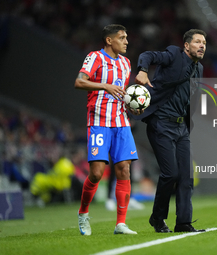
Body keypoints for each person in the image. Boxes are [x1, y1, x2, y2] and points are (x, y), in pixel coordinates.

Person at [134, 29, 207, 233]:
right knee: (170, 174)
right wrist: (142, 70)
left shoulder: (198, 68)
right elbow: (148, 55)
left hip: (181, 127)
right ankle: (158, 218)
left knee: (186, 176)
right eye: (198, 42)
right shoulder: (173, 54)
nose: (202, 46)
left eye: (204, 43)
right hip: (161, 123)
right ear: (186, 45)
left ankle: (183, 222)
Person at [74, 24, 141, 236]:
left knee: (124, 169)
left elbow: (121, 93)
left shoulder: (126, 63)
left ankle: (120, 224)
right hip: (99, 123)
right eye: (122, 38)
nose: (126, 41)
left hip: (121, 122)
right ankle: (83, 213)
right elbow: (79, 82)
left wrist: (133, 106)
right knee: (96, 173)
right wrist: (104, 86)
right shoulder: (95, 57)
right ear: (109, 41)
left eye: (126, 37)